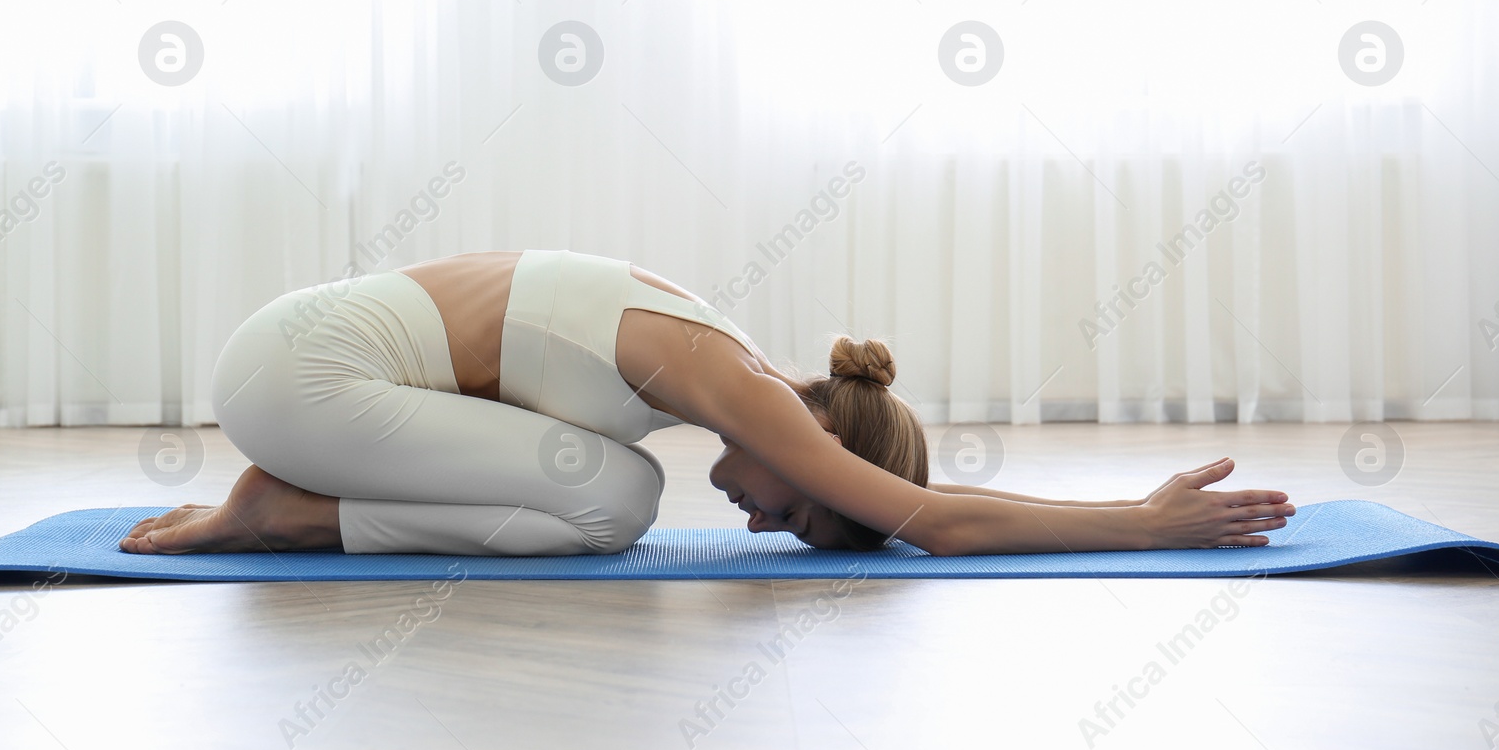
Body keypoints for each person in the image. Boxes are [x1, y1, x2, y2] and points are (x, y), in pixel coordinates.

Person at [119, 249, 1294, 557]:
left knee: (609, 484)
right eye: (796, 512)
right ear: (824, 442)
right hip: (304, 379)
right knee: (613, 502)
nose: (752, 519)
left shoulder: (718, 355)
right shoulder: (742, 385)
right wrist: (1134, 520)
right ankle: (280, 511)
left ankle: (291, 495)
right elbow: (931, 520)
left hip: (295, 358)